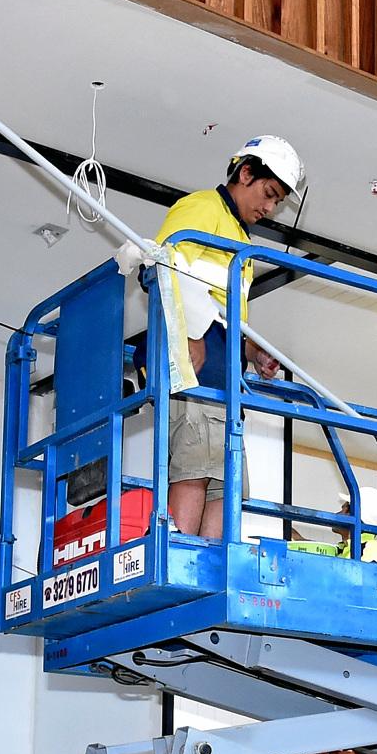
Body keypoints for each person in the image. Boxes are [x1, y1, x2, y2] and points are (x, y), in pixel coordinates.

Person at [152, 135, 304, 537]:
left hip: (224, 382)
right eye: (269, 194)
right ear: (245, 172)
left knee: (225, 484)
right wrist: (194, 336)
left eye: (278, 201)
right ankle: (179, 557)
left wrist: (252, 351)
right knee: (195, 469)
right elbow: (164, 268)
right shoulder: (201, 208)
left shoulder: (239, 239)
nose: (270, 208)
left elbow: (225, 313)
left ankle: (211, 574)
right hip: (197, 375)